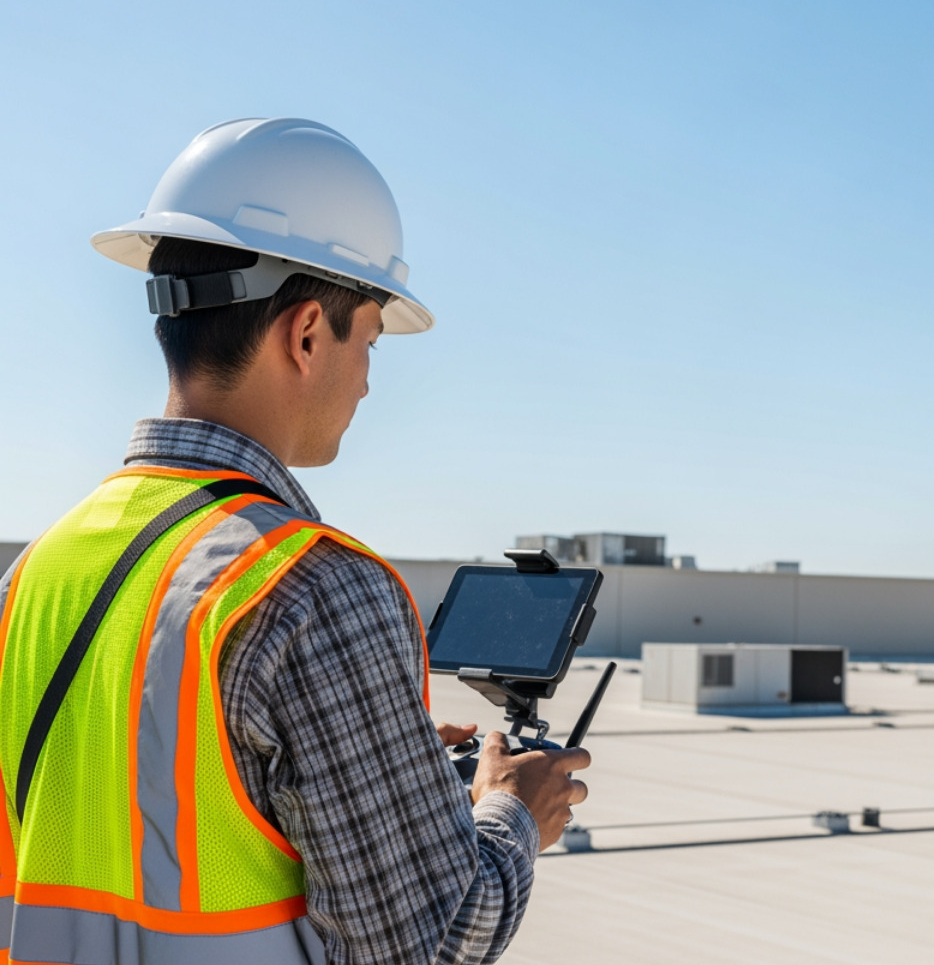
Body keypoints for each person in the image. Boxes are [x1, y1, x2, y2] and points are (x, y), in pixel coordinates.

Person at [0, 118, 589, 964]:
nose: (370, 379)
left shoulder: (38, 571)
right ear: (309, 333)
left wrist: (367, 774)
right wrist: (509, 813)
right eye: (372, 340)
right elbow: (426, 944)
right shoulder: (314, 590)